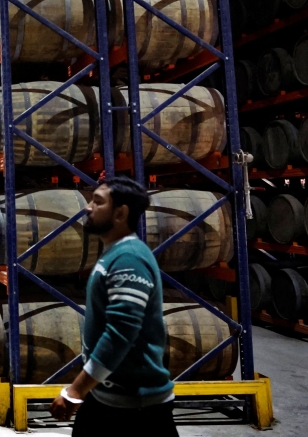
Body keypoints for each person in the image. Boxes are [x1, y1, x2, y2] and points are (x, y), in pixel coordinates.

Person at [48, 175, 178, 436]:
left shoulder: (128, 259)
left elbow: (121, 333)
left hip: (137, 407)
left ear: (120, 213)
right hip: (109, 396)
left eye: (98, 202)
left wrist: (76, 390)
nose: (88, 208)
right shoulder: (116, 253)